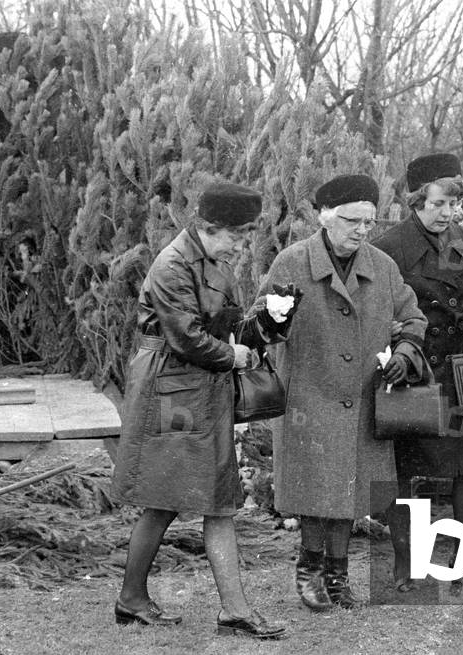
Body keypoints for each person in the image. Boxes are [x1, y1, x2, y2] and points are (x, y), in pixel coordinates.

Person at [111, 182, 294, 639]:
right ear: (209, 227)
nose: (241, 245)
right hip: (170, 388)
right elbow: (186, 338)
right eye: (236, 235)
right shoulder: (172, 264)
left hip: (196, 386)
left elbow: (226, 326)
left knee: (203, 498)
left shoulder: (214, 261)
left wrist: (269, 321)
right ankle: (156, 602)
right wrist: (235, 356)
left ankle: (159, 602)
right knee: (175, 497)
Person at [255, 173, 427, 610]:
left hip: (363, 397)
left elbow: (413, 318)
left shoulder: (382, 267)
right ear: (324, 217)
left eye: (369, 222)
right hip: (308, 398)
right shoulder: (292, 262)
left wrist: (405, 354)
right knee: (317, 489)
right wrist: (274, 319)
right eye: (353, 221)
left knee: (349, 490)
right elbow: (258, 326)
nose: (362, 230)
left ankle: (337, 572)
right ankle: (310, 568)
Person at [372, 153, 463, 591]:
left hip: (456, 371)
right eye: (439, 204)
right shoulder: (389, 246)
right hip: (413, 370)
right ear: (416, 200)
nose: (447, 214)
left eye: (453, 205)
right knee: (407, 471)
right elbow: (377, 308)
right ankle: (407, 560)